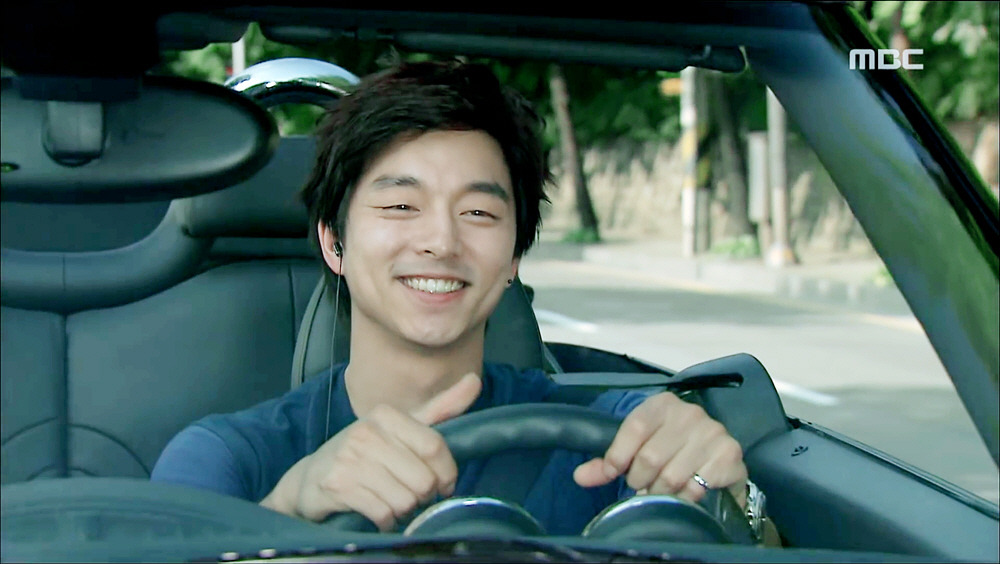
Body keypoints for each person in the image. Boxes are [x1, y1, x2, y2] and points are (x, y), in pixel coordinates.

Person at [151, 61, 752, 537]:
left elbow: (750, 537)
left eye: (479, 213)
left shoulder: (610, 440)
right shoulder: (227, 460)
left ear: (513, 258)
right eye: (400, 205)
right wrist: (286, 511)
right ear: (334, 241)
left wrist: (727, 495)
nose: (441, 241)